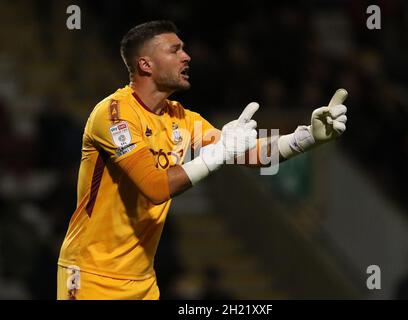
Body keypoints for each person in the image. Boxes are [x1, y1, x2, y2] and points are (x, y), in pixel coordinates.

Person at [57, 20, 348, 300]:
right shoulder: (114, 115)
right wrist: (220, 153)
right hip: (90, 276)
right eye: (175, 50)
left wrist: (308, 137)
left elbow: (253, 155)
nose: (187, 56)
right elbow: (156, 188)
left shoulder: (181, 119)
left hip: (143, 282)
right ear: (145, 64)